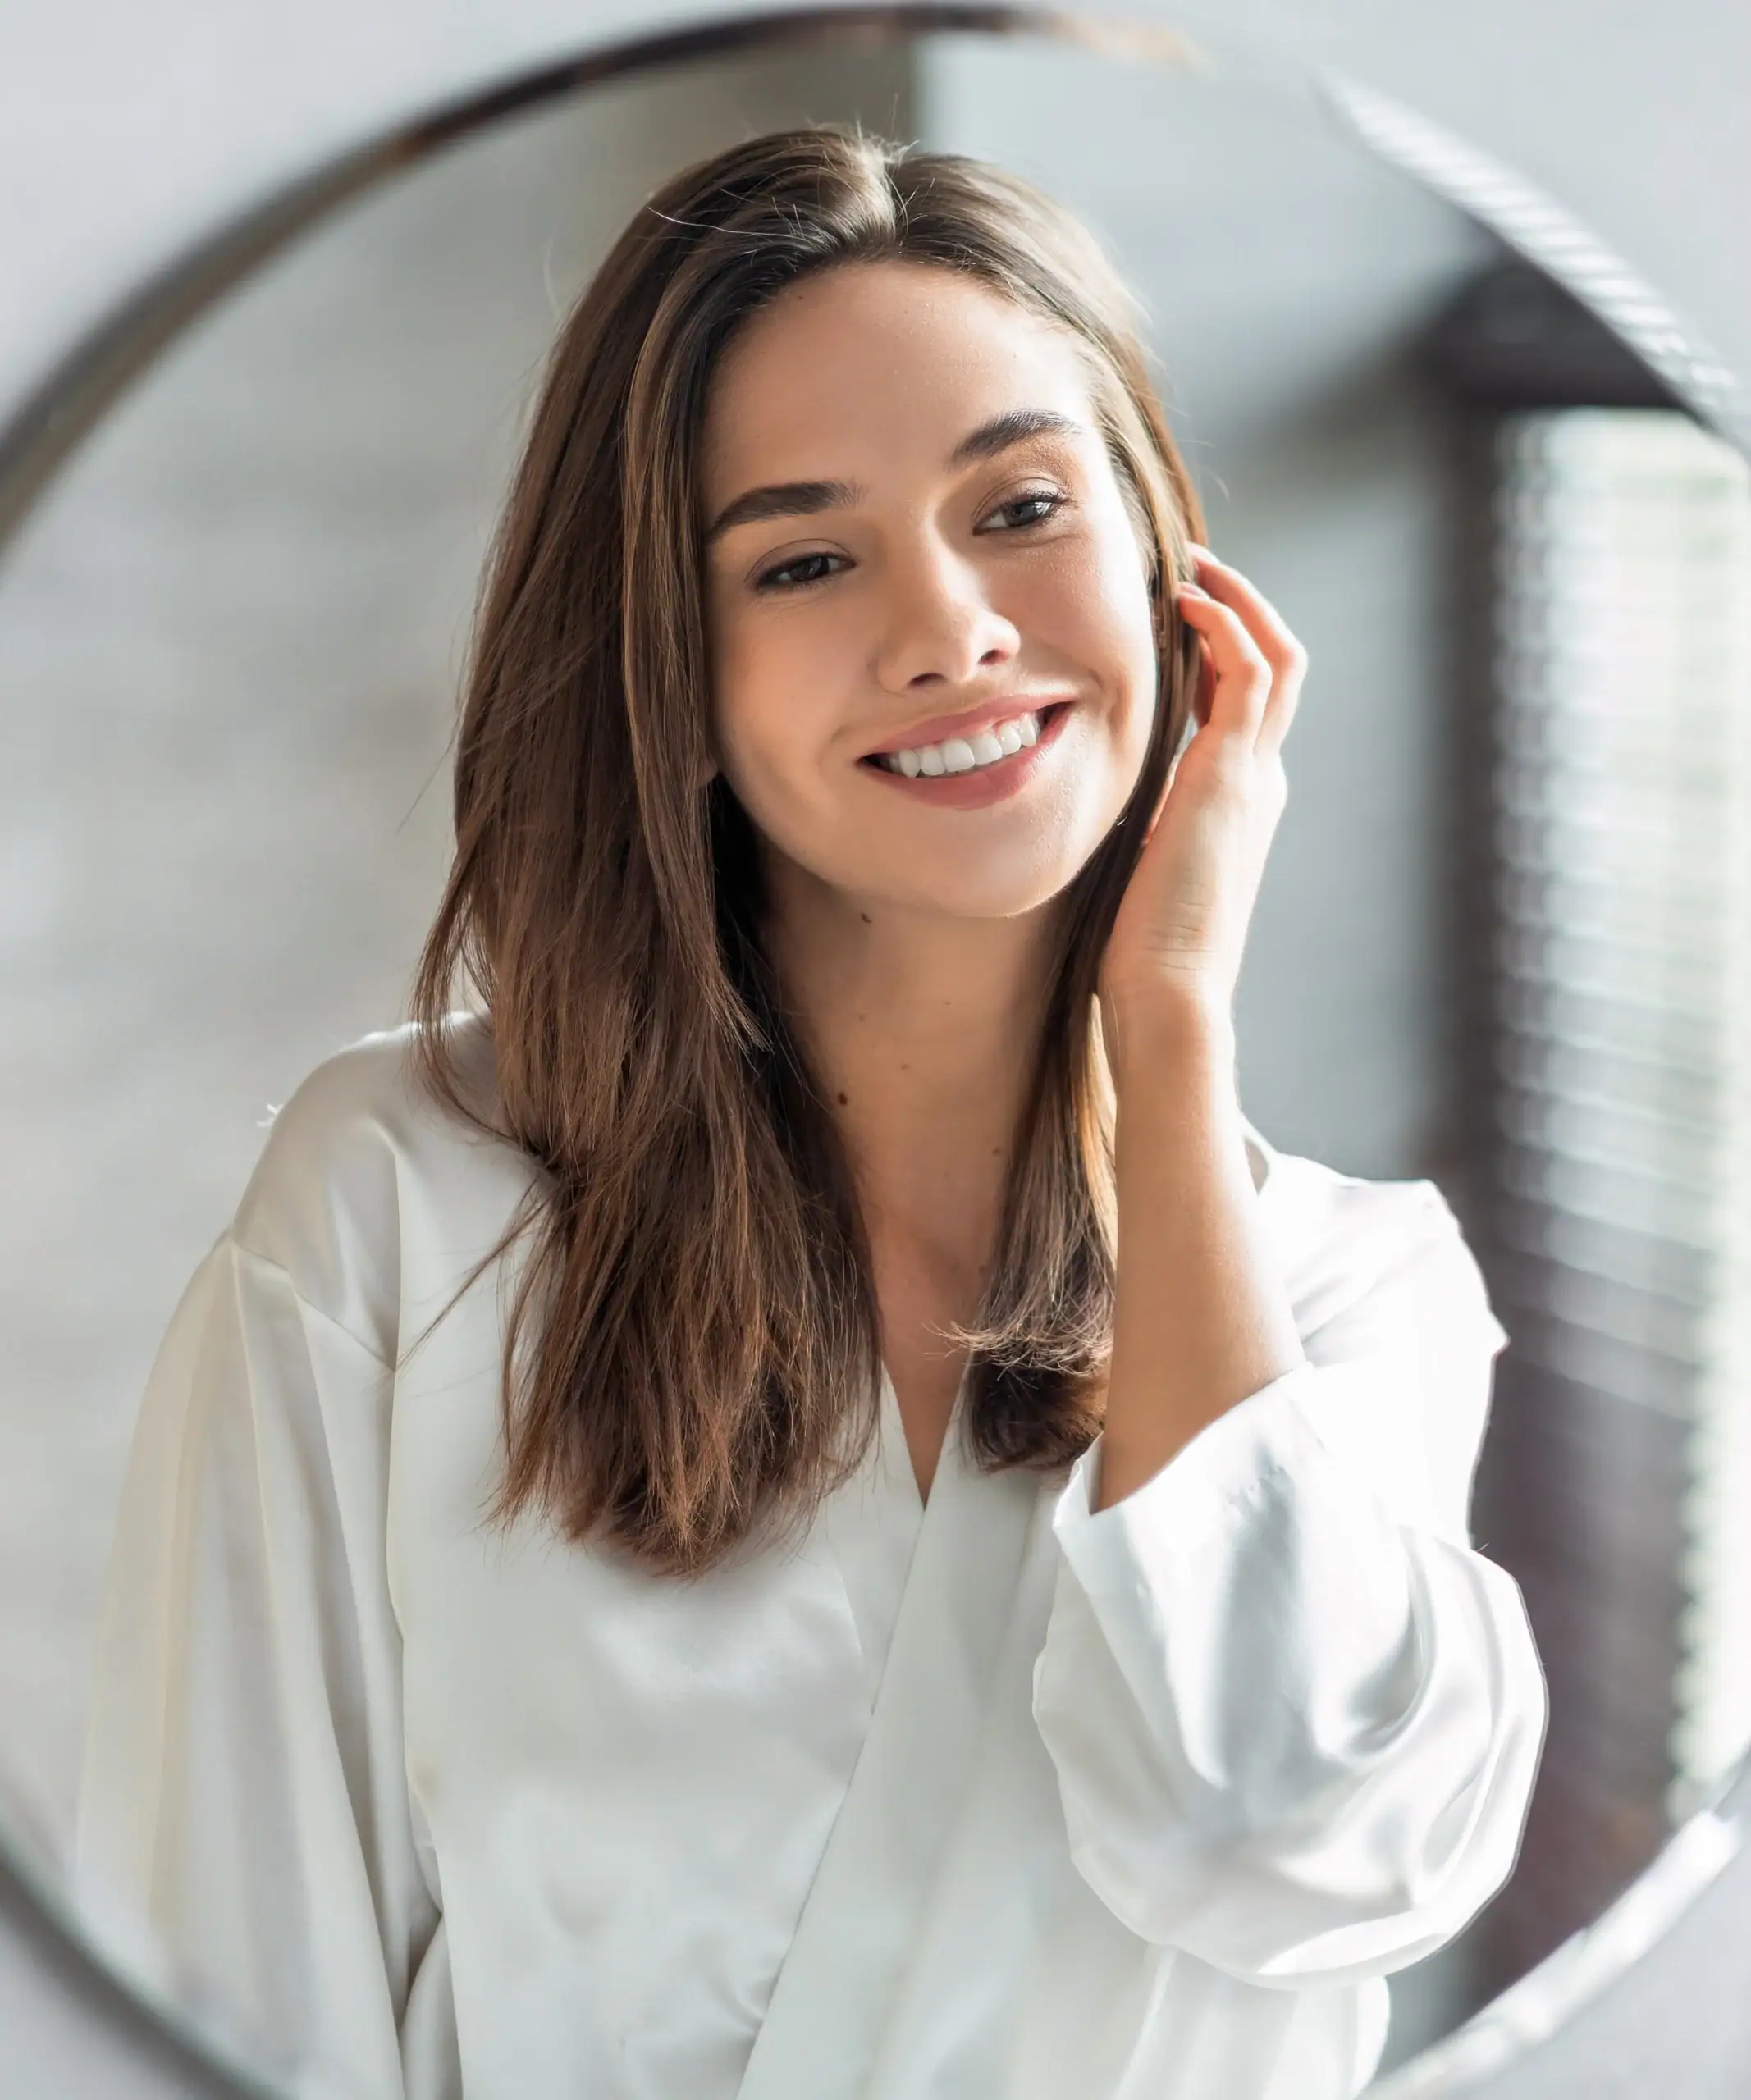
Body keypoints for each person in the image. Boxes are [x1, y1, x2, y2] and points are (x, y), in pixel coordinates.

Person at [73, 125, 1547, 2100]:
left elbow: (1277, 1835)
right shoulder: (403, 1204)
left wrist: (1169, 1022)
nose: (946, 629)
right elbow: (211, 1974)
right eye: (803, 558)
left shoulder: (1353, 1294)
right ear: (669, 673)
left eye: (1019, 504)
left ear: (1168, 567)